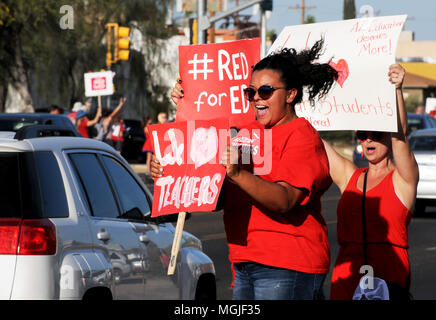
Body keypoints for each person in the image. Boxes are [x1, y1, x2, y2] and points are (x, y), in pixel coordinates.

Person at [152, 39, 339, 300]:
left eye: (265, 91)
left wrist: (239, 174)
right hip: (244, 261)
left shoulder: (302, 135)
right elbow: (219, 196)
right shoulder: (243, 133)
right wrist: (173, 170)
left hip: (288, 263)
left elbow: (285, 199)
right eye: (250, 92)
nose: (256, 99)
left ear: (291, 94)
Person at [322, 64, 418, 300]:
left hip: (389, 275)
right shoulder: (351, 176)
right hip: (348, 273)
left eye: (376, 134)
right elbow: (315, 142)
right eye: (362, 135)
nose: (368, 140)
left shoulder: (403, 179)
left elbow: (400, 136)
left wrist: (397, 89)